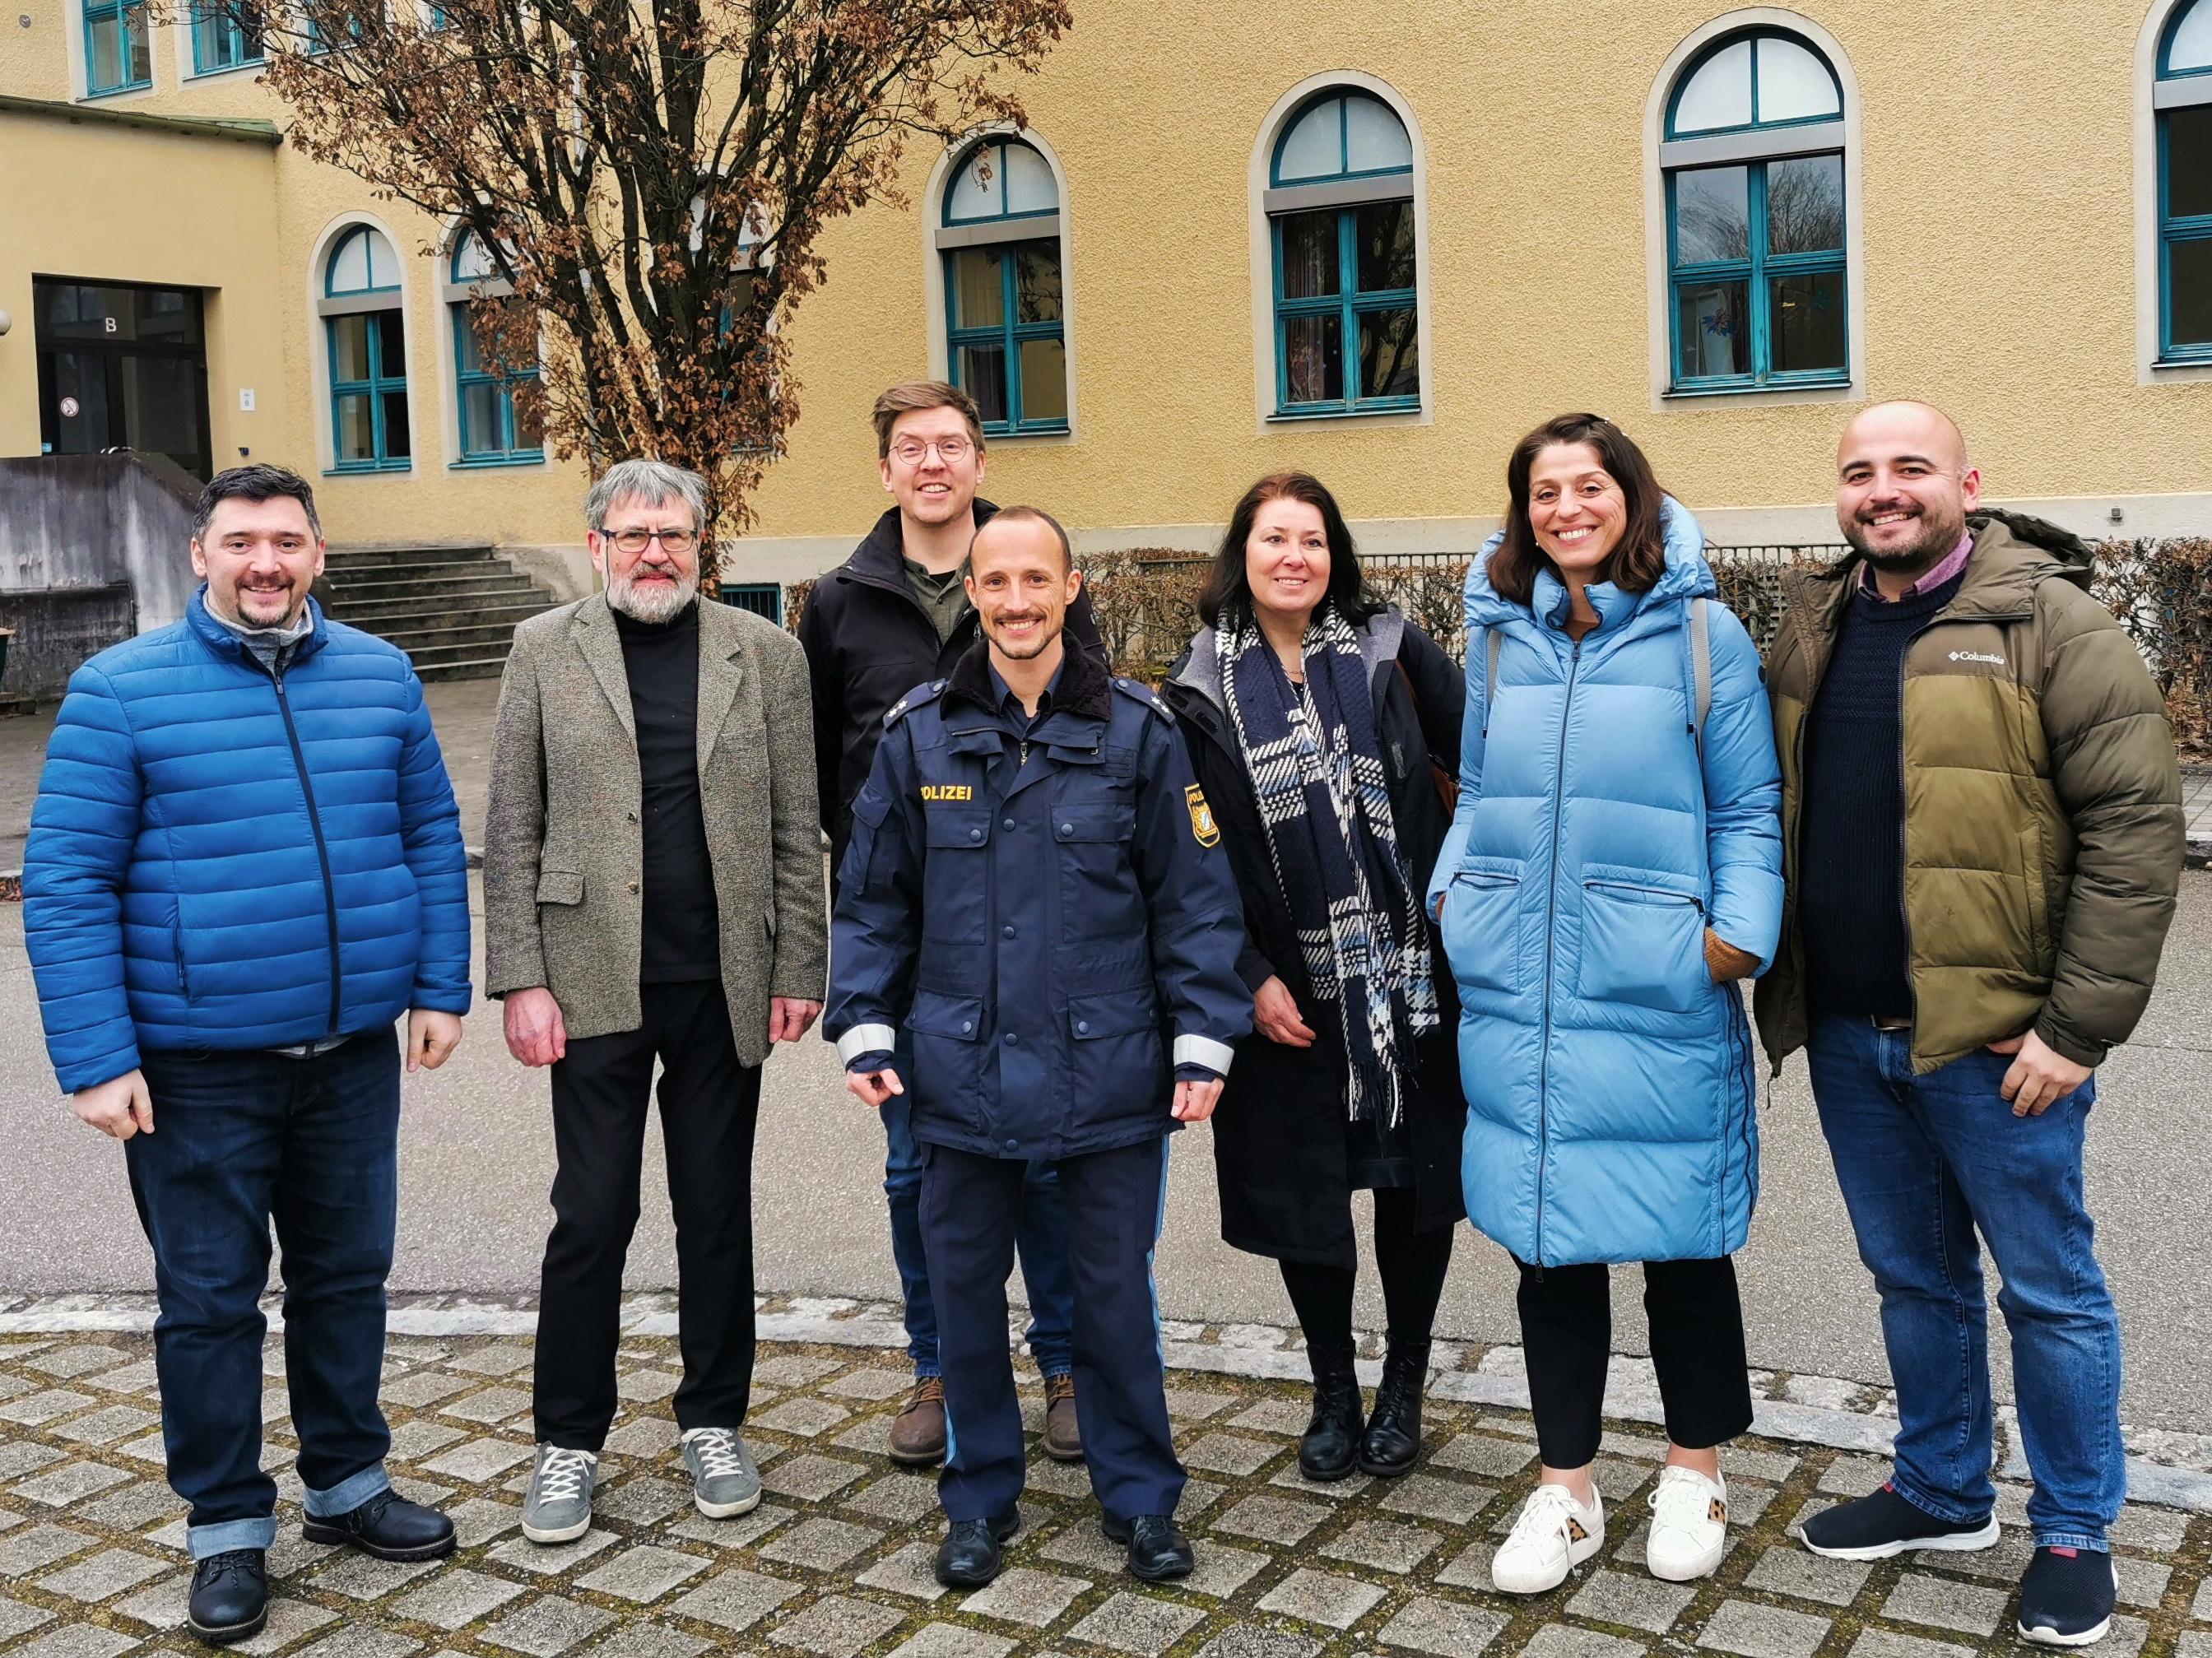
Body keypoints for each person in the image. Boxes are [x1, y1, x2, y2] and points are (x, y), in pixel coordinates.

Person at [1759, 402, 2185, 1647]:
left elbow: (2133, 834)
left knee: (2048, 1292)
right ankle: (1943, 1488)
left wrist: (2076, 1027)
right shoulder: (1816, 618)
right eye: (1859, 472)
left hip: (2003, 1044)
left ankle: (2073, 1527)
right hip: (1847, 1026)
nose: (1883, 491)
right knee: (1914, 1278)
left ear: (1966, 483)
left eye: (1910, 468)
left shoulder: (2053, 619)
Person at [22, 464, 471, 1646]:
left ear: (319, 553)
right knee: (211, 1300)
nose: (264, 561)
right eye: (240, 541)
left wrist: (437, 981)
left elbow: (430, 828)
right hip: (194, 1062)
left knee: (344, 1273)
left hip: (352, 1049)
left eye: (286, 540)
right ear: (201, 555)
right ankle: (226, 1523)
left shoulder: (380, 674)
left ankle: (347, 1483)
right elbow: (66, 881)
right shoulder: (119, 690)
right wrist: (95, 1055)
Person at [826, 505, 1251, 1589]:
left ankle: (1141, 1495)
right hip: (956, 1073)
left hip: (1107, 1067)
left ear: (1069, 589)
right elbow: (873, 899)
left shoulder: (1139, 731)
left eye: (1035, 580)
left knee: (1113, 1298)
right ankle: (978, 1495)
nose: (1015, 600)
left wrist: (1203, 1037)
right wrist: (865, 1016)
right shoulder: (919, 731)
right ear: (972, 591)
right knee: (964, 1302)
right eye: (995, 581)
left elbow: (1194, 904)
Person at [1429, 414, 1782, 1595]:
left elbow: (1745, 808)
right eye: (1544, 489)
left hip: (1658, 975)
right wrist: (1456, 895)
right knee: (1548, 1237)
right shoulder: (1497, 639)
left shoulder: (1702, 634)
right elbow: (1477, 784)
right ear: (1522, 508)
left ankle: (1695, 1465)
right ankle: (1566, 1485)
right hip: (1521, 979)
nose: (1567, 507)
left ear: (1631, 495)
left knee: (1681, 1234)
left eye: (1589, 485)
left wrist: (1732, 941)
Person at [483, 459, 827, 1545]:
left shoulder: (766, 654)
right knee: (593, 1215)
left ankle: (713, 1416)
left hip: (724, 978)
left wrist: (798, 965)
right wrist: (520, 975)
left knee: (716, 1211)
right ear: (597, 547)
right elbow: (512, 825)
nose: (654, 552)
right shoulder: (544, 650)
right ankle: (567, 1442)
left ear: (700, 543)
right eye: (633, 533)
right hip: (589, 979)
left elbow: (794, 824)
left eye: (673, 532)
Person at [797, 381, 1102, 1465]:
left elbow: (1094, 726)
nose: (932, 464)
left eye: (951, 446)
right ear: (886, 470)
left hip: (1043, 932)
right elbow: (820, 781)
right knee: (918, 1169)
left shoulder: (1027, 567)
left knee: (1055, 1164)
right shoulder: (835, 602)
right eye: (910, 449)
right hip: (917, 948)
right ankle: (939, 1364)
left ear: (979, 459)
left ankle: (1065, 1359)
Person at [1162, 471, 1467, 1484]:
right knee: (1308, 1196)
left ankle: (1405, 1383)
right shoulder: (1197, 685)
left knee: (1413, 1188)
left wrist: (1461, 898)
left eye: (1313, 539)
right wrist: (1246, 975)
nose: (1295, 556)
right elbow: (1185, 855)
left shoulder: (1391, 647)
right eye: (1274, 538)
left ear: (1335, 552)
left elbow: (1491, 767)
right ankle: (1333, 1386)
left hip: (1408, 978)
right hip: (1287, 991)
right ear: (1240, 553)